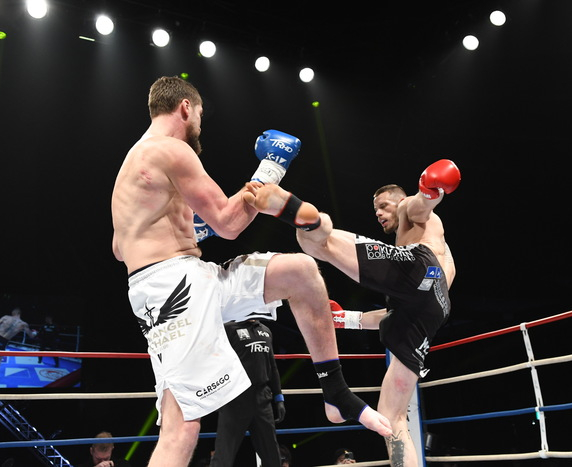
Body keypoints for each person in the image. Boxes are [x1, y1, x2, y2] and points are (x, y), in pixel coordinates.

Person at [110, 76, 390, 467]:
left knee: (301, 271)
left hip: (189, 275)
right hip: (173, 288)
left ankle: (335, 392)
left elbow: (120, 249)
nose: (200, 124)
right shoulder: (171, 149)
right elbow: (228, 224)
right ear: (186, 108)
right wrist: (271, 168)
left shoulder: (135, 162)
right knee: (181, 428)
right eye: (200, 114)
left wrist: (190, 232)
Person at [244, 158, 461, 467]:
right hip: (431, 307)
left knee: (314, 241)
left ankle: (294, 211)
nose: (379, 213)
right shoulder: (435, 251)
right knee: (392, 416)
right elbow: (396, 312)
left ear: (399, 200)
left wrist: (428, 191)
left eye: (384, 206)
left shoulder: (411, 212)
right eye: (376, 210)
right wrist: (345, 318)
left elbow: (419, 207)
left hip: (418, 270)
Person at [211, 319, 285, 467]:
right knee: (224, 454)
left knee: (271, 453)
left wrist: (279, 398)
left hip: (263, 398)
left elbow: (272, 366)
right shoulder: (228, 329)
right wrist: (216, 396)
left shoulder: (266, 330)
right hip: (235, 397)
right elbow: (214, 362)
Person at [0, 307, 38, 382]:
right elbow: (31, 336)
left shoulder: (6, 317)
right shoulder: (23, 324)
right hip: (3, 342)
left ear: (15, 312)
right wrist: (35, 333)